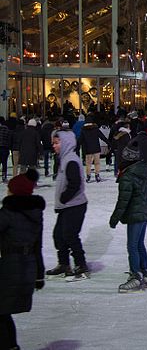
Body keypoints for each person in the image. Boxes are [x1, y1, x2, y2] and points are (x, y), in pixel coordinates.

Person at [0, 169, 44, 350]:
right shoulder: (35, 214)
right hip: (28, 268)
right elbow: (37, 247)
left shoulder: (7, 212)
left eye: (9, 189)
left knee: (1, 312)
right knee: (3, 312)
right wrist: (39, 275)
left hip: (11, 268)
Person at [108, 141, 147, 292]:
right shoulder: (142, 168)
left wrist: (114, 218)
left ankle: (136, 275)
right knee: (139, 243)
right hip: (145, 211)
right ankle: (144, 271)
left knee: (133, 245)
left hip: (136, 213)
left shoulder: (128, 174)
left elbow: (123, 200)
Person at [45, 130, 89, 281]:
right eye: (53, 143)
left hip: (75, 205)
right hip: (67, 206)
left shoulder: (71, 160)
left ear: (66, 143)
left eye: (57, 143)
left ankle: (81, 264)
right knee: (59, 235)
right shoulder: (64, 159)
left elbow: (75, 184)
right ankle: (63, 263)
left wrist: (64, 198)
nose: (54, 146)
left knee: (70, 235)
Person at [79, 116, 109, 182]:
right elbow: (102, 137)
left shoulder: (83, 130)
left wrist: (76, 147)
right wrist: (108, 143)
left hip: (87, 149)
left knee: (88, 164)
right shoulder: (95, 129)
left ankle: (88, 176)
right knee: (97, 163)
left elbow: (80, 140)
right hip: (96, 148)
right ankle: (97, 175)